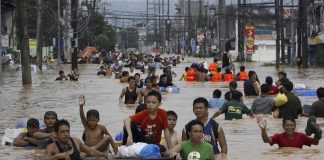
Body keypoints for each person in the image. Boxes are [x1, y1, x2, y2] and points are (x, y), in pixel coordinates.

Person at [44, 119, 110, 159]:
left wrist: (104, 155)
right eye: (62, 131)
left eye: (67, 131)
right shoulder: (51, 147)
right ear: (56, 133)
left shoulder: (76, 141)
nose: (66, 134)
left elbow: (90, 151)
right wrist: (56, 157)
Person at [257, 117, 321, 149]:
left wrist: (317, 133)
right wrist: (263, 129)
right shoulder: (279, 137)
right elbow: (266, 140)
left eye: (291, 125)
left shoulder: (301, 136)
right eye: (287, 125)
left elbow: (315, 143)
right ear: (283, 127)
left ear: (295, 126)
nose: (289, 127)